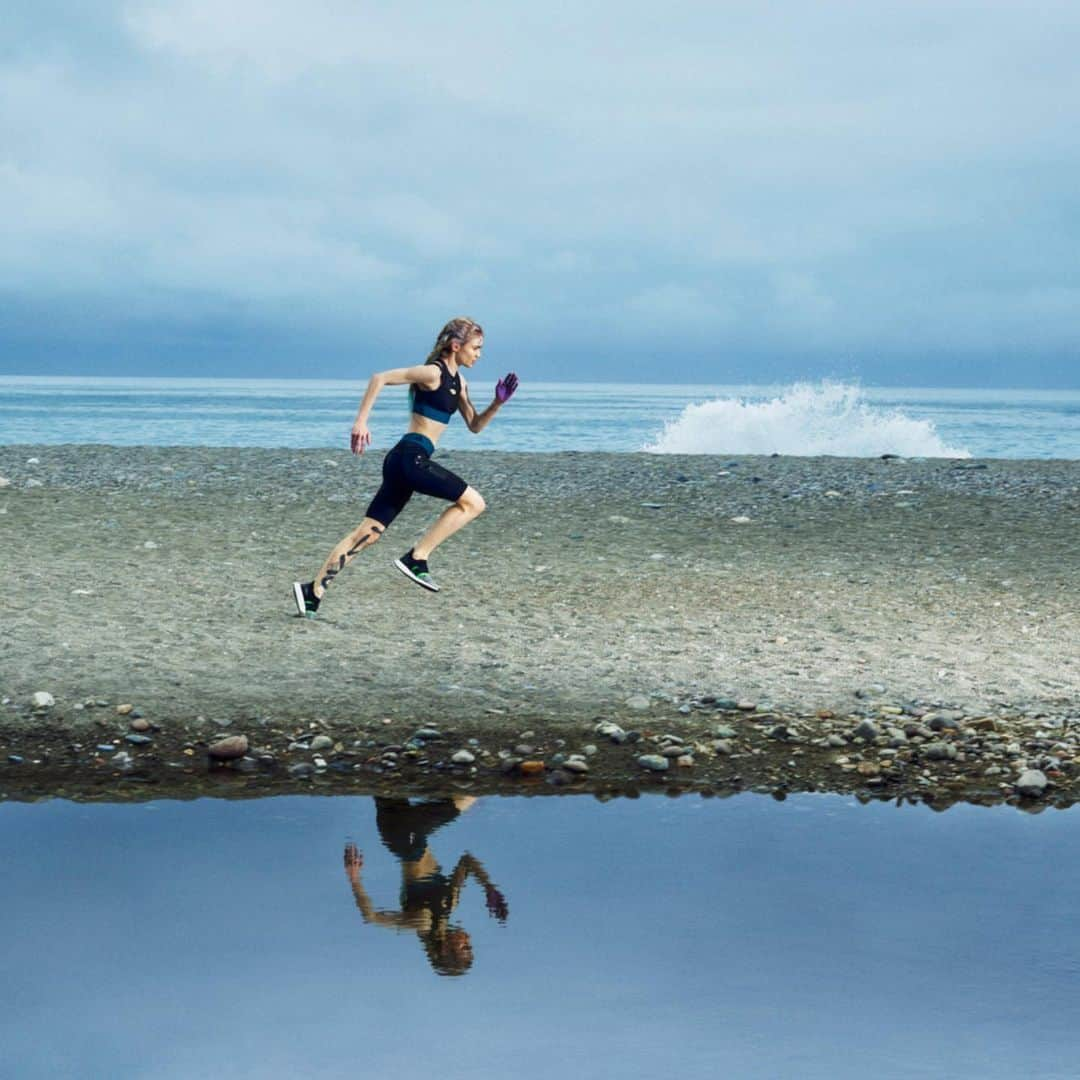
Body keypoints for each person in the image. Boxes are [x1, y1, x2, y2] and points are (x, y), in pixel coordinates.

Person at [293, 317, 518, 616]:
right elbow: (379, 378)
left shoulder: (460, 383)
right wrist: (361, 421)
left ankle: (313, 591)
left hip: (403, 461)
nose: (479, 354)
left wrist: (497, 404)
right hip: (411, 458)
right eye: (476, 348)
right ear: (455, 346)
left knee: (369, 532)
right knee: (473, 503)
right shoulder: (432, 373)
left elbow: (475, 425)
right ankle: (417, 557)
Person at [343, 796, 509, 976]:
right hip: (408, 834)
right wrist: (489, 888)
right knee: (385, 781)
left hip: (405, 837)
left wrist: (354, 878)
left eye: (465, 947)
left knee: (468, 797)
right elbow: (466, 861)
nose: (468, 940)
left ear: (446, 950)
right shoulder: (450, 905)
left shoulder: (422, 922)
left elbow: (371, 917)